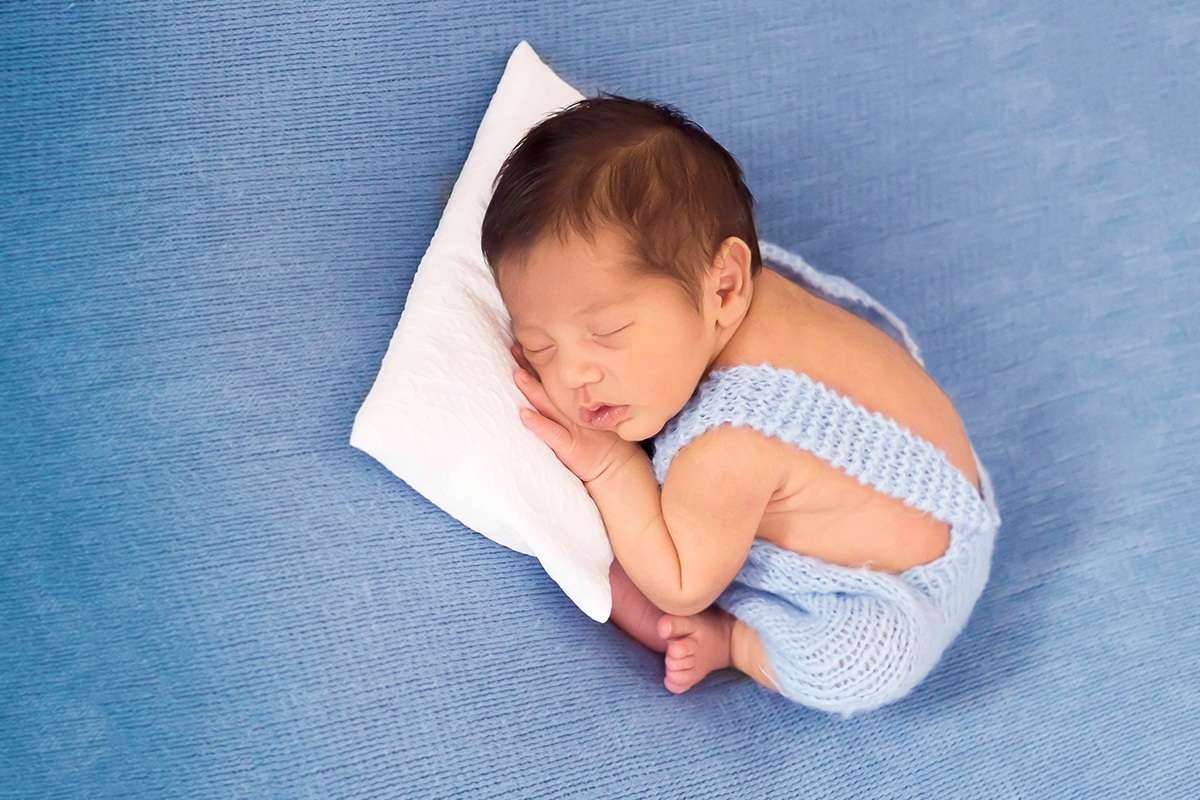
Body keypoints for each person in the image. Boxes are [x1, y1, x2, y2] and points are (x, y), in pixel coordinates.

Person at [480, 96, 1000, 714]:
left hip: (898, 593)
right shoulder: (732, 288)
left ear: (725, 286)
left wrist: (609, 464)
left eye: (609, 332)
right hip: (947, 472)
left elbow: (681, 586)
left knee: (861, 664)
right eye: (540, 346)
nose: (571, 375)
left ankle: (736, 642)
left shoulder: (728, 444)